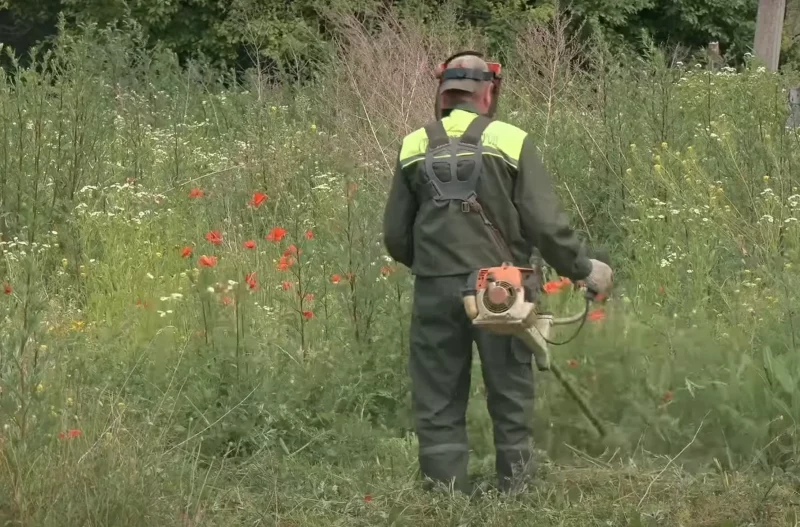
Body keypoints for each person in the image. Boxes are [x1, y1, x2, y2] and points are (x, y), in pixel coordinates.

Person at [382, 52, 613, 495]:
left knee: (437, 393)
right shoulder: (511, 140)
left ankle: (444, 494)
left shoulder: (412, 145)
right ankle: (516, 490)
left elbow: (395, 235)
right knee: (509, 390)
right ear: (488, 93)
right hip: (502, 288)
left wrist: (435, 268)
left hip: (434, 287)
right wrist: (582, 269)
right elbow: (545, 224)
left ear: (443, 94)